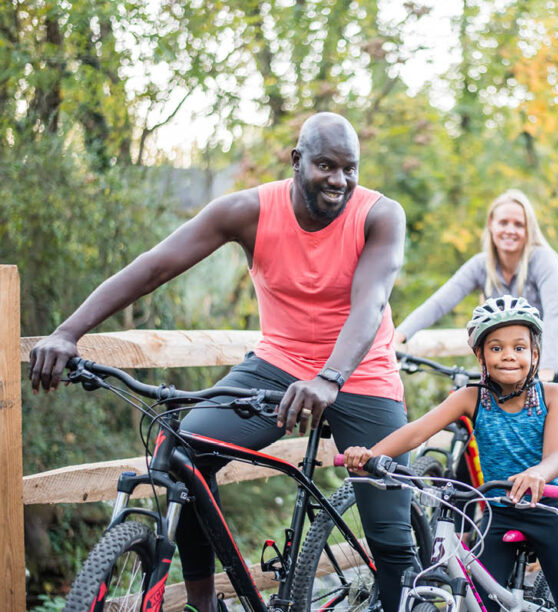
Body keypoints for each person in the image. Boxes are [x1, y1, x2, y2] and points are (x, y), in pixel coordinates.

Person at [28, 112, 416, 612]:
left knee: (389, 536)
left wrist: (330, 377)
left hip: (360, 372)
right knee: (186, 451)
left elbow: (370, 304)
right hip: (279, 363)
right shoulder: (248, 211)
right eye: (326, 166)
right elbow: (156, 265)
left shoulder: (380, 216)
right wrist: (67, 332)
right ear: (297, 161)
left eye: (350, 169)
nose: (339, 181)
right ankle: (204, 604)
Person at [344, 296, 558, 612]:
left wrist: (538, 474)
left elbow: (556, 456)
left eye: (519, 347)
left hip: (550, 510)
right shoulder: (471, 397)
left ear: (535, 353)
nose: (508, 356)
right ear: (480, 356)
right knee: (478, 605)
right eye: (496, 348)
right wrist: (370, 454)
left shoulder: (551, 394)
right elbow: (418, 431)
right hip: (499, 513)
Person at [395, 189, 558, 549]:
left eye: (519, 223)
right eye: (503, 222)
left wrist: (545, 375)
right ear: (491, 226)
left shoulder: (543, 261)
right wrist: (400, 334)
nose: (510, 230)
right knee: (477, 450)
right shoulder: (482, 264)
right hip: (509, 370)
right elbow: (443, 298)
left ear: (528, 228)